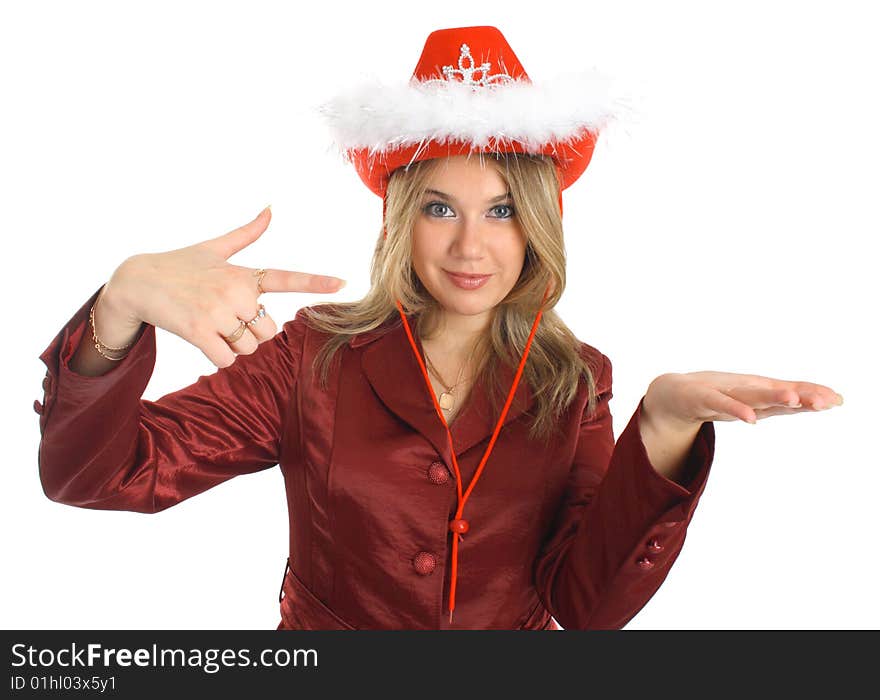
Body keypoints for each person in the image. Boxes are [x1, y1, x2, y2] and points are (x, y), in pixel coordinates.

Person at [35, 26, 842, 630]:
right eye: (437, 209)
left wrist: (663, 426)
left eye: (499, 210)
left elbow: (586, 605)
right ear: (398, 222)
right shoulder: (314, 356)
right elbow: (99, 477)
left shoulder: (574, 379)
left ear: (537, 224)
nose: (469, 246)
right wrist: (120, 305)